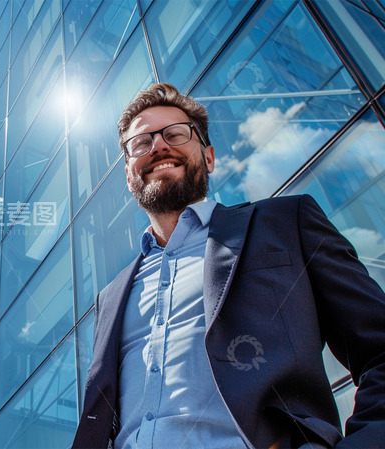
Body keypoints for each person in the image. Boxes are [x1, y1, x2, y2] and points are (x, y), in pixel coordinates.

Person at [72, 83, 385, 449]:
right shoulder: (109, 299)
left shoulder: (286, 222)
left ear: (209, 157)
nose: (158, 146)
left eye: (175, 134)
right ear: (128, 175)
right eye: (141, 143)